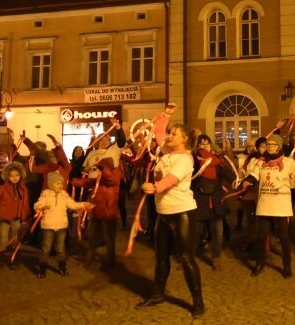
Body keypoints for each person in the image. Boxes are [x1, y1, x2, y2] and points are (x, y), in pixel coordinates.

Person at [136, 124, 205, 319]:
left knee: (185, 258)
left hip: (182, 213)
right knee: (160, 257)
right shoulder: (166, 155)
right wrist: (165, 115)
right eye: (169, 132)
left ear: (184, 139)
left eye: (174, 133)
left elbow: (172, 179)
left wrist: (156, 187)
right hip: (163, 214)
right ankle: (157, 295)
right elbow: (158, 133)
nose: (169, 135)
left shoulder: (185, 158)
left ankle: (198, 302)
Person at [244, 133, 295, 278]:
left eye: (273, 145)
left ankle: (287, 265)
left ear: (278, 146)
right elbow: (253, 175)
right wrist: (247, 181)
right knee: (261, 236)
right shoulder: (261, 162)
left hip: (281, 205)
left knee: (284, 237)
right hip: (265, 204)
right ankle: (260, 263)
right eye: (268, 145)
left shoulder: (287, 162)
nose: (270, 147)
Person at [33, 171, 91, 278]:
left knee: (60, 248)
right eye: (57, 183)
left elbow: (73, 205)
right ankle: (42, 269)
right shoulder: (46, 194)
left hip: (61, 226)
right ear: (51, 184)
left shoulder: (64, 195)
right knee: (46, 248)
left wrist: (83, 204)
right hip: (48, 226)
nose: (60, 185)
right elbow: (37, 204)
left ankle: (62, 267)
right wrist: (41, 207)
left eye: (61, 183)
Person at [191, 134, 236, 271]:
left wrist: (227, 154)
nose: (204, 146)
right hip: (200, 201)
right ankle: (188, 259)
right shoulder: (193, 160)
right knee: (195, 232)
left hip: (216, 201)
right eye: (201, 143)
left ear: (211, 145)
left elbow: (231, 176)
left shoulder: (217, 161)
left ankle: (216, 258)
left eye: (207, 143)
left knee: (217, 232)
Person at [71, 157, 123, 268]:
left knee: (109, 239)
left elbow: (111, 180)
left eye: (102, 167)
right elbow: (90, 182)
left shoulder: (116, 172)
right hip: (96, 211)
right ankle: (90, 257)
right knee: (91, 236)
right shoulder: (100, 176)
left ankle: (110, 261)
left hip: (108, 213)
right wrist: (77, 182)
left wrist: (103, 169)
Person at [0, 162, 31, 269]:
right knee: (2, 239)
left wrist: (25, 216)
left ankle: (15, 260)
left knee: (15, 239)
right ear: (7, 176)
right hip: (5, 218)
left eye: (17, 175)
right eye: (12, 176)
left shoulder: (23, 189)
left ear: (21, 175)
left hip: (17, 219)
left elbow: (25, 204)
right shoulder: (4, 188)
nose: (14, 178)